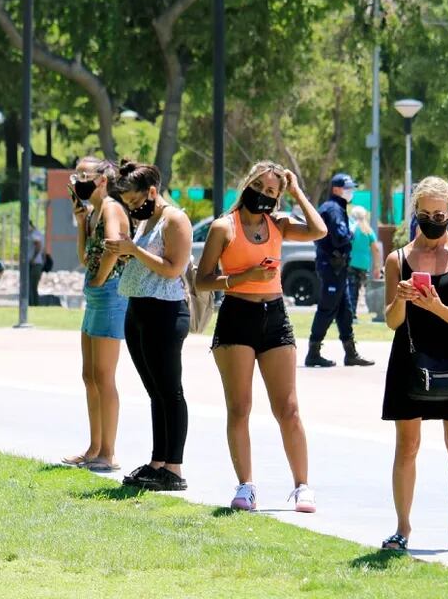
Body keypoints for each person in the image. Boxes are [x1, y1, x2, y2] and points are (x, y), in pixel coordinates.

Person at [196, 161, 328, 512]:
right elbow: (203, 280)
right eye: (262, 188)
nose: (266, 196)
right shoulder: (224, 227)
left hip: (275, 317)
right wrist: (242, 277)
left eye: (273, 192)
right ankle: (246, 485)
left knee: (288, 408)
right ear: (248, 184)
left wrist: (296, 190)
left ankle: (302, 485)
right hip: (237, 315)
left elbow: (319, 230)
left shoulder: (279, 224)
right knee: (240, 407)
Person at [380, 176, 448, 553]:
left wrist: (436, 306)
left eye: (439, 214)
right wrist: (404, 300)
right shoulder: (398, 259)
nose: (432, 220)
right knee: (407, 446)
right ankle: (402, 528)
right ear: (415, 214)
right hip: (409, 358)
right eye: (424, 214)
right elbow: (391, 321)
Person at [104, 160, 192, 491]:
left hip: (165, 312)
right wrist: (127, 251)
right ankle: (158, 462)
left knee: (170, 391)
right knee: (155, 391)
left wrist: (132, 251)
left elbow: (173, 268)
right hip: (139, 308)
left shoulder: (175, 219)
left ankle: (175, 468)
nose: (131, 207)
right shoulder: (148, 219)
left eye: (134, 200)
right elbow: (146, 260)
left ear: (152, 192)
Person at [61, 157, 130, 472]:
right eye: (77, 174)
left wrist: (101, 279)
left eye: (84, 174)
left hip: (110, 295)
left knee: (104, 376)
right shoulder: (92, 213)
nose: (79, 180)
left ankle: (109, 452)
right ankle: (94, 448)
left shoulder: (113, 208)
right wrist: (80, 225)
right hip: (94, 296)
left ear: (102, 179)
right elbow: (83, 256)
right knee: (89, 376)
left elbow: (115, 245)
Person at [305, 173, 374, 367]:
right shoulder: (333, 209)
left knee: (345, 311)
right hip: (332, 268)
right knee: (327, 308)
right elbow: (340, 236)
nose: (350, 191)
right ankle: (313, 352)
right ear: (336, 189)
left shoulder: (335, 207)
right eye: (347, 188)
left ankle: (350, 353)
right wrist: (351, 234)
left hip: (338, 269)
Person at [347, 205, 382, 320]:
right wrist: (377, 267)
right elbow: (376, 250)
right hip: (364, 264)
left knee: (350, 287)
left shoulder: (351, 228)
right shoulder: (368, 231)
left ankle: (350, 313)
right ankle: (353, 313)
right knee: (357, 288)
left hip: (351, 262)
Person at [28, 220, 45, 306]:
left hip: (35, 264)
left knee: (32, 287)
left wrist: (32, 259)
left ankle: (34, 305)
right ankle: (33, 305)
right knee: (31, 287)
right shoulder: (36, 233)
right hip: (36, 264)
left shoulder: (34, 234)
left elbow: (38, 245)